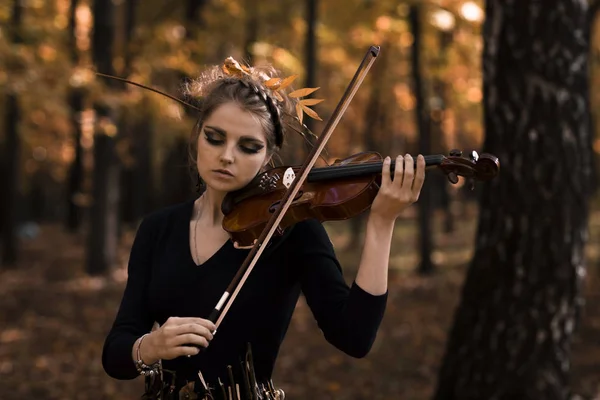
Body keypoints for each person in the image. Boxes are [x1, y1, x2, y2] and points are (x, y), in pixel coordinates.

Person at [101, 56, 426, 399]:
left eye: (248, 146)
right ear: (197, 137)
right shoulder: (158, 229)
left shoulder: (292, 230)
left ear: (268, 155)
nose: (227, 156)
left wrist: (382, 222)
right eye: (215, 138)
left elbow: (354, 337)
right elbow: (115, 353)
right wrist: (149, 347)